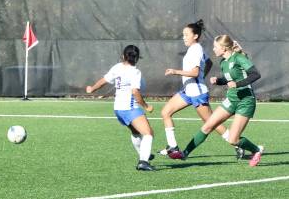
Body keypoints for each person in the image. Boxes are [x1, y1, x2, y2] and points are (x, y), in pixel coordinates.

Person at [169, 35, 264, 167]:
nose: (213, 49)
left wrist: (238, 84)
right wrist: (219, 81)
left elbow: (255, 74)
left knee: (233, 139)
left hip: (245, 101)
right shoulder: (223, 62)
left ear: (224, 48)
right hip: (231, 99)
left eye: (215, 47)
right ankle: (184, 153)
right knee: (207, 126)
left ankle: (256, 150)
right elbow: (230, 78)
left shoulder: (239, 58)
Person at [159, 19, 243, 158]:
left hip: (197, 93)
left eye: (186, 35)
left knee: (212, 123)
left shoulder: (196, 49)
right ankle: (173, 146)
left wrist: (176, 71)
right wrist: (200, 77)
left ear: (195, 36)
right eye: (183, 35)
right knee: (165, 112)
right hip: (188, 90)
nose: (183, 37)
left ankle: (237, 144)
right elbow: (208, 62)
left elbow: (195, 73)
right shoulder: (193, 49)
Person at [86, 45, 155, 171]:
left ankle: (144, 154)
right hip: (130, 108)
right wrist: (146, 106)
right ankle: (143, 161)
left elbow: (104, 80)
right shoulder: (135, 72)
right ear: (137, 58)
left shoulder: (117, 67)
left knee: (135, 132)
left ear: (123, 56)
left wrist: (92, 88)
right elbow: (135, 92)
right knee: (148, 134)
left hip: (118, 109)